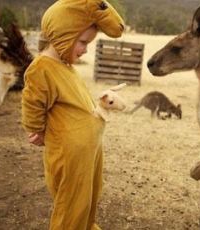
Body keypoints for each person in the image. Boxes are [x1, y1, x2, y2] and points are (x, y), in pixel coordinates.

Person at [21, 0, 125, 229]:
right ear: (64, 35)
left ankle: (87, 225)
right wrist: (35, 129)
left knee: (89, 194)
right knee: (72, 202)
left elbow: (75, 103)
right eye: (83, 42)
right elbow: (32, 102)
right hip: (70, 154)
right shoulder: (42, 68)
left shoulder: (65, 67)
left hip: (88, 150)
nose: (86, 49)